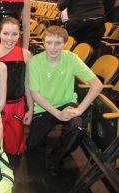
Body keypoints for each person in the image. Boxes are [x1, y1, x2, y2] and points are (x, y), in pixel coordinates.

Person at [27, 26, 103, 176]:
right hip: (45, 107)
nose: (53, 48)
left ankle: (57, 158)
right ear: (43, 43)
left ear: (65, 43)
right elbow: (35, 93)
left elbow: (97, 85)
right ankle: (46, 145)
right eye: (49, 43)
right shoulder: (35, 61)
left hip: (67, 103)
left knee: (77, 128)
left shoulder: (71, 58)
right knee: (32, 147)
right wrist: (57, 114)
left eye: (58, 43)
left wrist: (79, 110)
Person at [0, 17, 33, 155]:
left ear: (19, 34)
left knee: (14, 149)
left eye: (14, 34)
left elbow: (27, 83)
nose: (10, 38)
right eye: (6, 33)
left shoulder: (25, 54)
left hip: (17, 106)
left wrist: (30, 108)